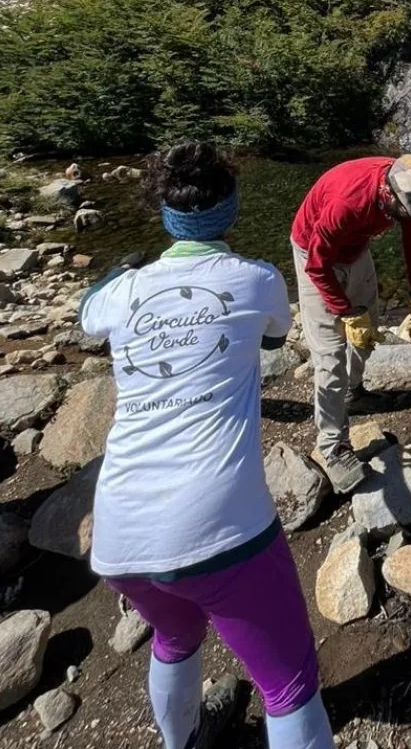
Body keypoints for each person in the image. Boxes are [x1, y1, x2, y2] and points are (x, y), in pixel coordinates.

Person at [80, 142, 334, 749]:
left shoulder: (123, 292)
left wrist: (122, 273)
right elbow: (273, 337)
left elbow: (88, 311)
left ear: (166, 214)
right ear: (231, 208)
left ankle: (184, 741)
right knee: (288, 685)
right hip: (219, 527)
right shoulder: (258, 279)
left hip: (121, 535)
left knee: (174, 637)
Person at [291, 154, 411, 492]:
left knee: (369, 330)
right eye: (406, 215)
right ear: (389, 197)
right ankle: (333, 448)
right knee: (330, 356)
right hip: (313, 253)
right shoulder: (348, 203)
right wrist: (346, 311)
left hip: (355, 249)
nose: (409, 221)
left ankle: (353, 391)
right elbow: (317, 266)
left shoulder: (409, 182)